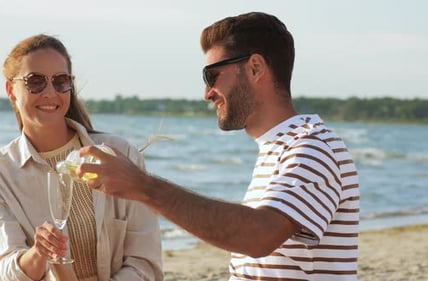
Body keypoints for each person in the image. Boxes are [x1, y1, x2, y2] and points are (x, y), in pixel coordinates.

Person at [78, 12, 360, 281]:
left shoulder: (313, 146)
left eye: (211, 76)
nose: (207, 94)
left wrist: (142, 187)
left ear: (255, 67)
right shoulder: (280, 148)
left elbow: (258, 236)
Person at [0, 34, 163, 281]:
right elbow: (11, 270)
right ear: (11, 90)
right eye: (35, 81)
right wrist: (38, 252)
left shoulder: (120, 155)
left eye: (60, 81)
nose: (50, 92)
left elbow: (145, 262)